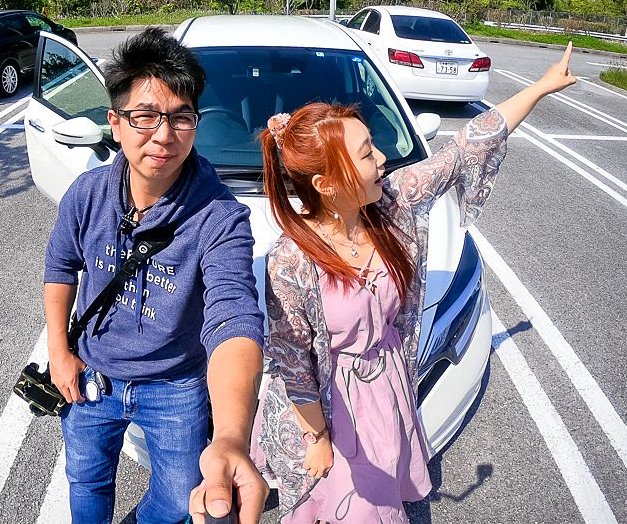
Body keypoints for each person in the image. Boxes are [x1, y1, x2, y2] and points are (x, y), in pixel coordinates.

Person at [251, 43, 578, 522]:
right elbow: (293, 363)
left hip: (386, 387)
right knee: (344, 505)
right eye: (366, 154)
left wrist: (539, 88)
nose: (383, 158)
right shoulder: (290, 261)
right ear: (326, 184)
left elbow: (467, 146)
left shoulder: (393, 204)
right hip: (326, 406)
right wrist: (316, 437)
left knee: (381, 497)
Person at [43, 27, 268, 524]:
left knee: (173, 504)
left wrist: (231, 436)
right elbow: (60, 266)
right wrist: (60, 353)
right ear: (115, 123)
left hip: (176, 387)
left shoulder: (220, 218)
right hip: (91, 376)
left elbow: (234, 316)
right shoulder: (87, 195)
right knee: (86, 481)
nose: (164, 136)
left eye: (181, 118)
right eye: (145, 116)